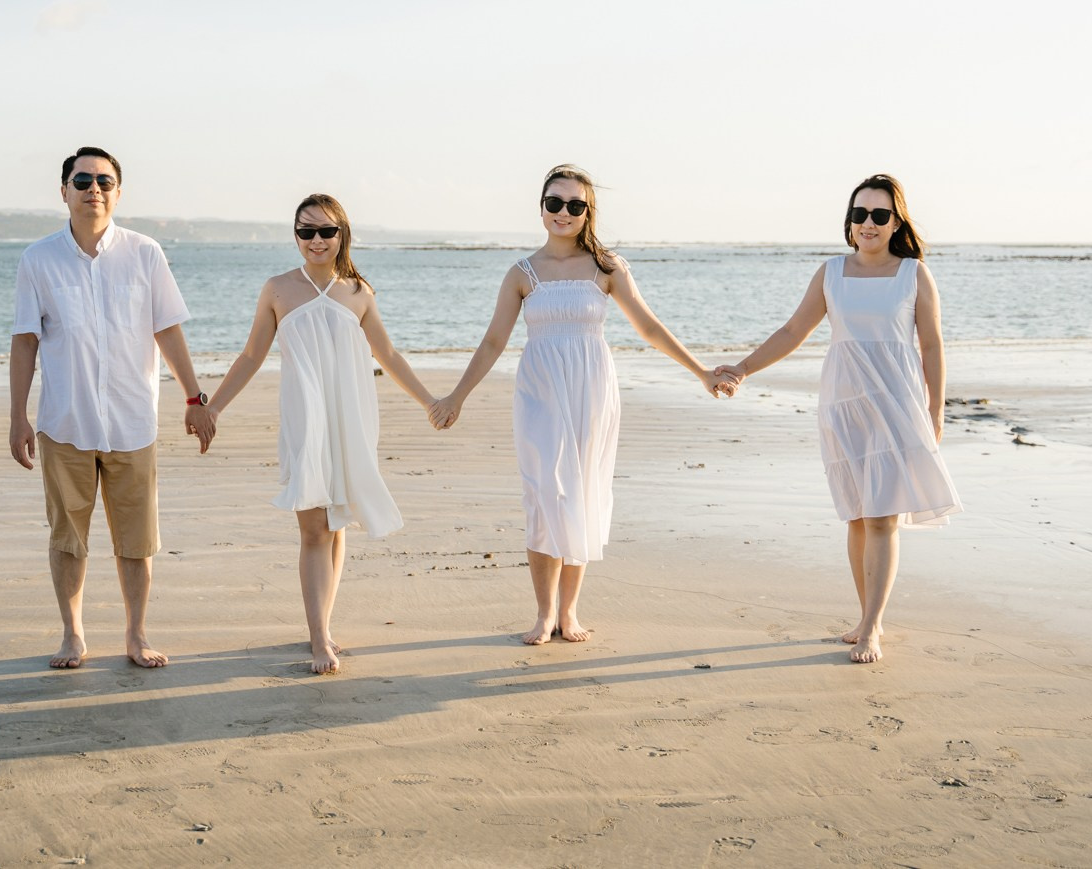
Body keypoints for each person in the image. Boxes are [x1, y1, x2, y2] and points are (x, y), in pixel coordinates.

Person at [432, 165, 738, 645]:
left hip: (591, 390)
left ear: (588, 212)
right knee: (543, 494)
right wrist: (457, 396)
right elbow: (493, 341)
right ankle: (542, 612)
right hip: (539, 392)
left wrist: (701, 372)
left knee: (580, 495)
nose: (564, 213)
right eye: (555, 203)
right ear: (541, 208)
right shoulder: (522, 273)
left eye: (576, 205)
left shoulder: (607, 267)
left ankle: (568, 613)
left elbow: (649, 327)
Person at [717, 173, 961, 664]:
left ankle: (872, 627)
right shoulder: (830, 272)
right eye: (859, 214)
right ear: (849, 223)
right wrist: (742, 368)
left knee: (881, 518)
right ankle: (866, 614)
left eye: (879, 215)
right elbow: (792, 331)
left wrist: (935, 411)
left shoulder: (913, 274)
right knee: (856, 516)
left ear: (896, 223)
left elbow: (931, 345)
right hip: (844, 407)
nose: (868, 223)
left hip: (897, 406)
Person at [203, 193, 443, 674]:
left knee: (336, 525)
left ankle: (324, 627)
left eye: (326, 231)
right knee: (313, 527)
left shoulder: (358, 292)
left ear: (342, 235)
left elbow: (389, 356)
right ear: (295, 236)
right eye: (306, 231)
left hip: (349, 420)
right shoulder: (277, 289)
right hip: (305, 419)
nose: (316, 240)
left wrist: (431, 402)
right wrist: (212, 408)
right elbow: (252, 356)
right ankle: (318, 639)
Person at [8, 147, 216, 669]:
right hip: (65, 422)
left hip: (132, 423)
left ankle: (137, 635)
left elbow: (167, 328)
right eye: (82, 179)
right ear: (64, 190)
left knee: (136, 541)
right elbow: (26, 340)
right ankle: (72, 635)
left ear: (118, 192)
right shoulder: (37, 259)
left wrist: (195, 399)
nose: (93, 188)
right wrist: (17, 417)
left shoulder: (145, 253)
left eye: (104, 180)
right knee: (67, 538)